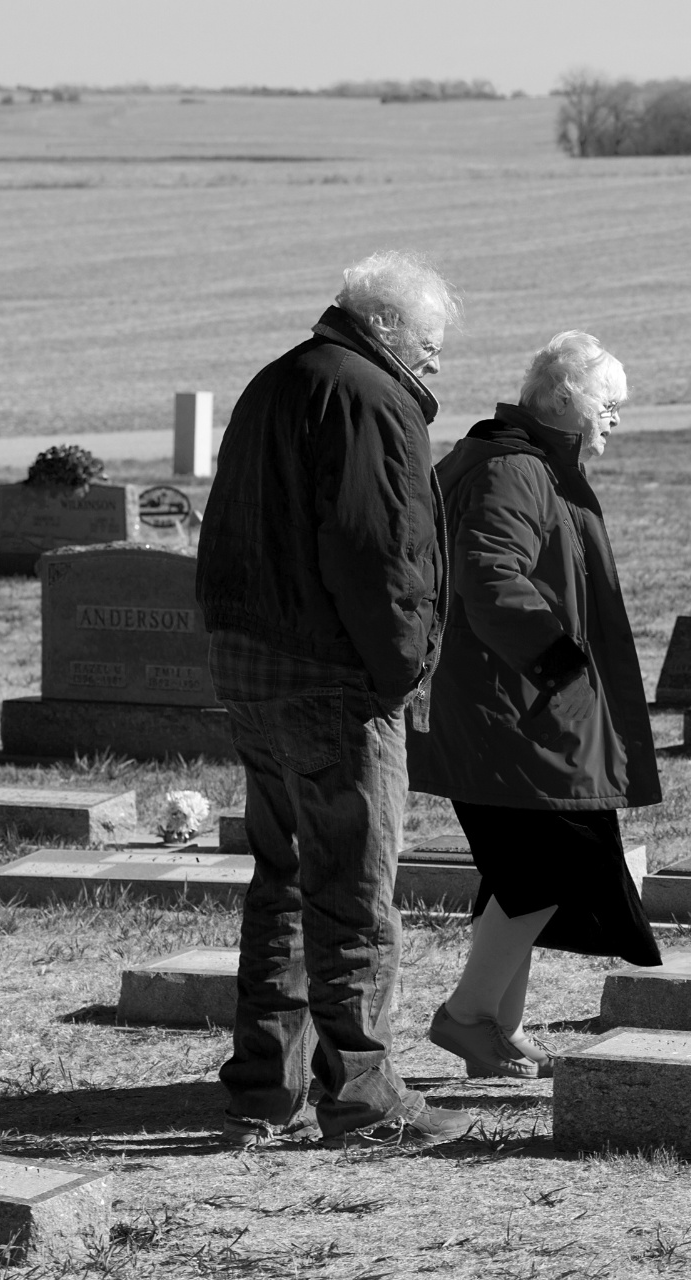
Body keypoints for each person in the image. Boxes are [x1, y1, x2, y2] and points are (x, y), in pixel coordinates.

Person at [195, 250, 472, 1149]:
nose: (436, 361)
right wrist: (398, 673)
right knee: (354, 890)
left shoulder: (278, 379)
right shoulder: (368, 396)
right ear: (387, 330)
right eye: (429, 343)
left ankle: (261, 1088)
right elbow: (378, 554)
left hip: (252, 668)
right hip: (331, 679)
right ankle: (362, 1096)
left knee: (281, 878)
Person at [409, 331, 663, 1078]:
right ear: (566, 402)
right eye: (609, 405)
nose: (615, 419)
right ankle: (464, 1017)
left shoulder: (519, 461)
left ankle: (494, 1027)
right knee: (548, 870)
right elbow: (489, 572)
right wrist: (556, 656)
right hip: (520, 713)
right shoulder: (514, 469)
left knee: (525, 872)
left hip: (523, 711)